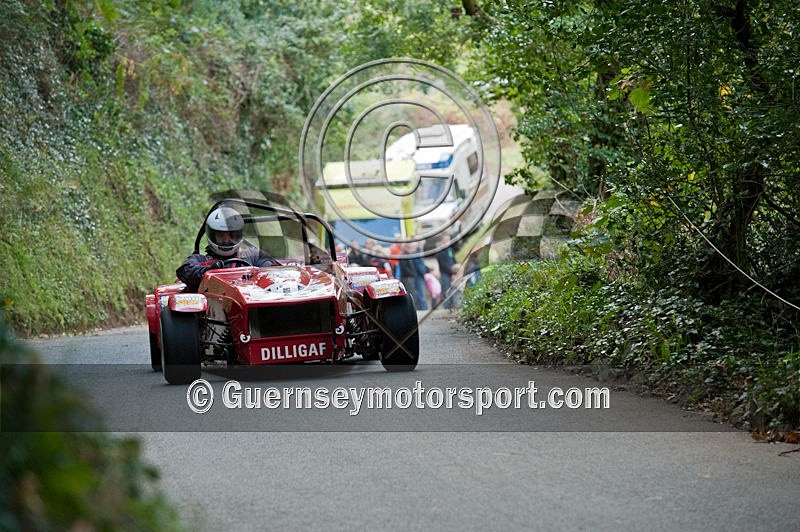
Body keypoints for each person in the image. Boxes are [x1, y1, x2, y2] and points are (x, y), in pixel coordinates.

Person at [177, 206, 279, 292]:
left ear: (238, 235)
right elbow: (185, 271)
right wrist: (210, 270)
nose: (226, 240)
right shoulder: (200, 260)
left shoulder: (252, 256)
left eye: (232, 235)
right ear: (212, 235)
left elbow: (273, 271)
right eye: (221, 235)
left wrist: (257, 274)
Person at [398, 241, 428, 310]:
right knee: (413, 295)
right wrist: (413, 274)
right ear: (406, 247)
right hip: (408, 278)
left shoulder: (415, 254)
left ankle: (422, 309)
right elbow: (404, 268)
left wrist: (426, 271)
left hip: (417, 277)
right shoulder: (403, 255)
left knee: (420, 295)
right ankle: (415, 310)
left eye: (412, 247)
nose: (411, 249)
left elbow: (420, 266)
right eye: (409, 247)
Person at [435, 233, 459, 309]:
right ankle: (446, 309)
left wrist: (456, 273)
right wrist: (452, 273)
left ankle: (452, 308)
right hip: (445, 275)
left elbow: (454, 260)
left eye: (448, 240)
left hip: (453, 274)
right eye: (445, 240)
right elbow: (444, 266)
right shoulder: (440, 252)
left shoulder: (450, 250)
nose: (447, 242)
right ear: (441, 241)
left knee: (453, 293)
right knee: (446, 293)